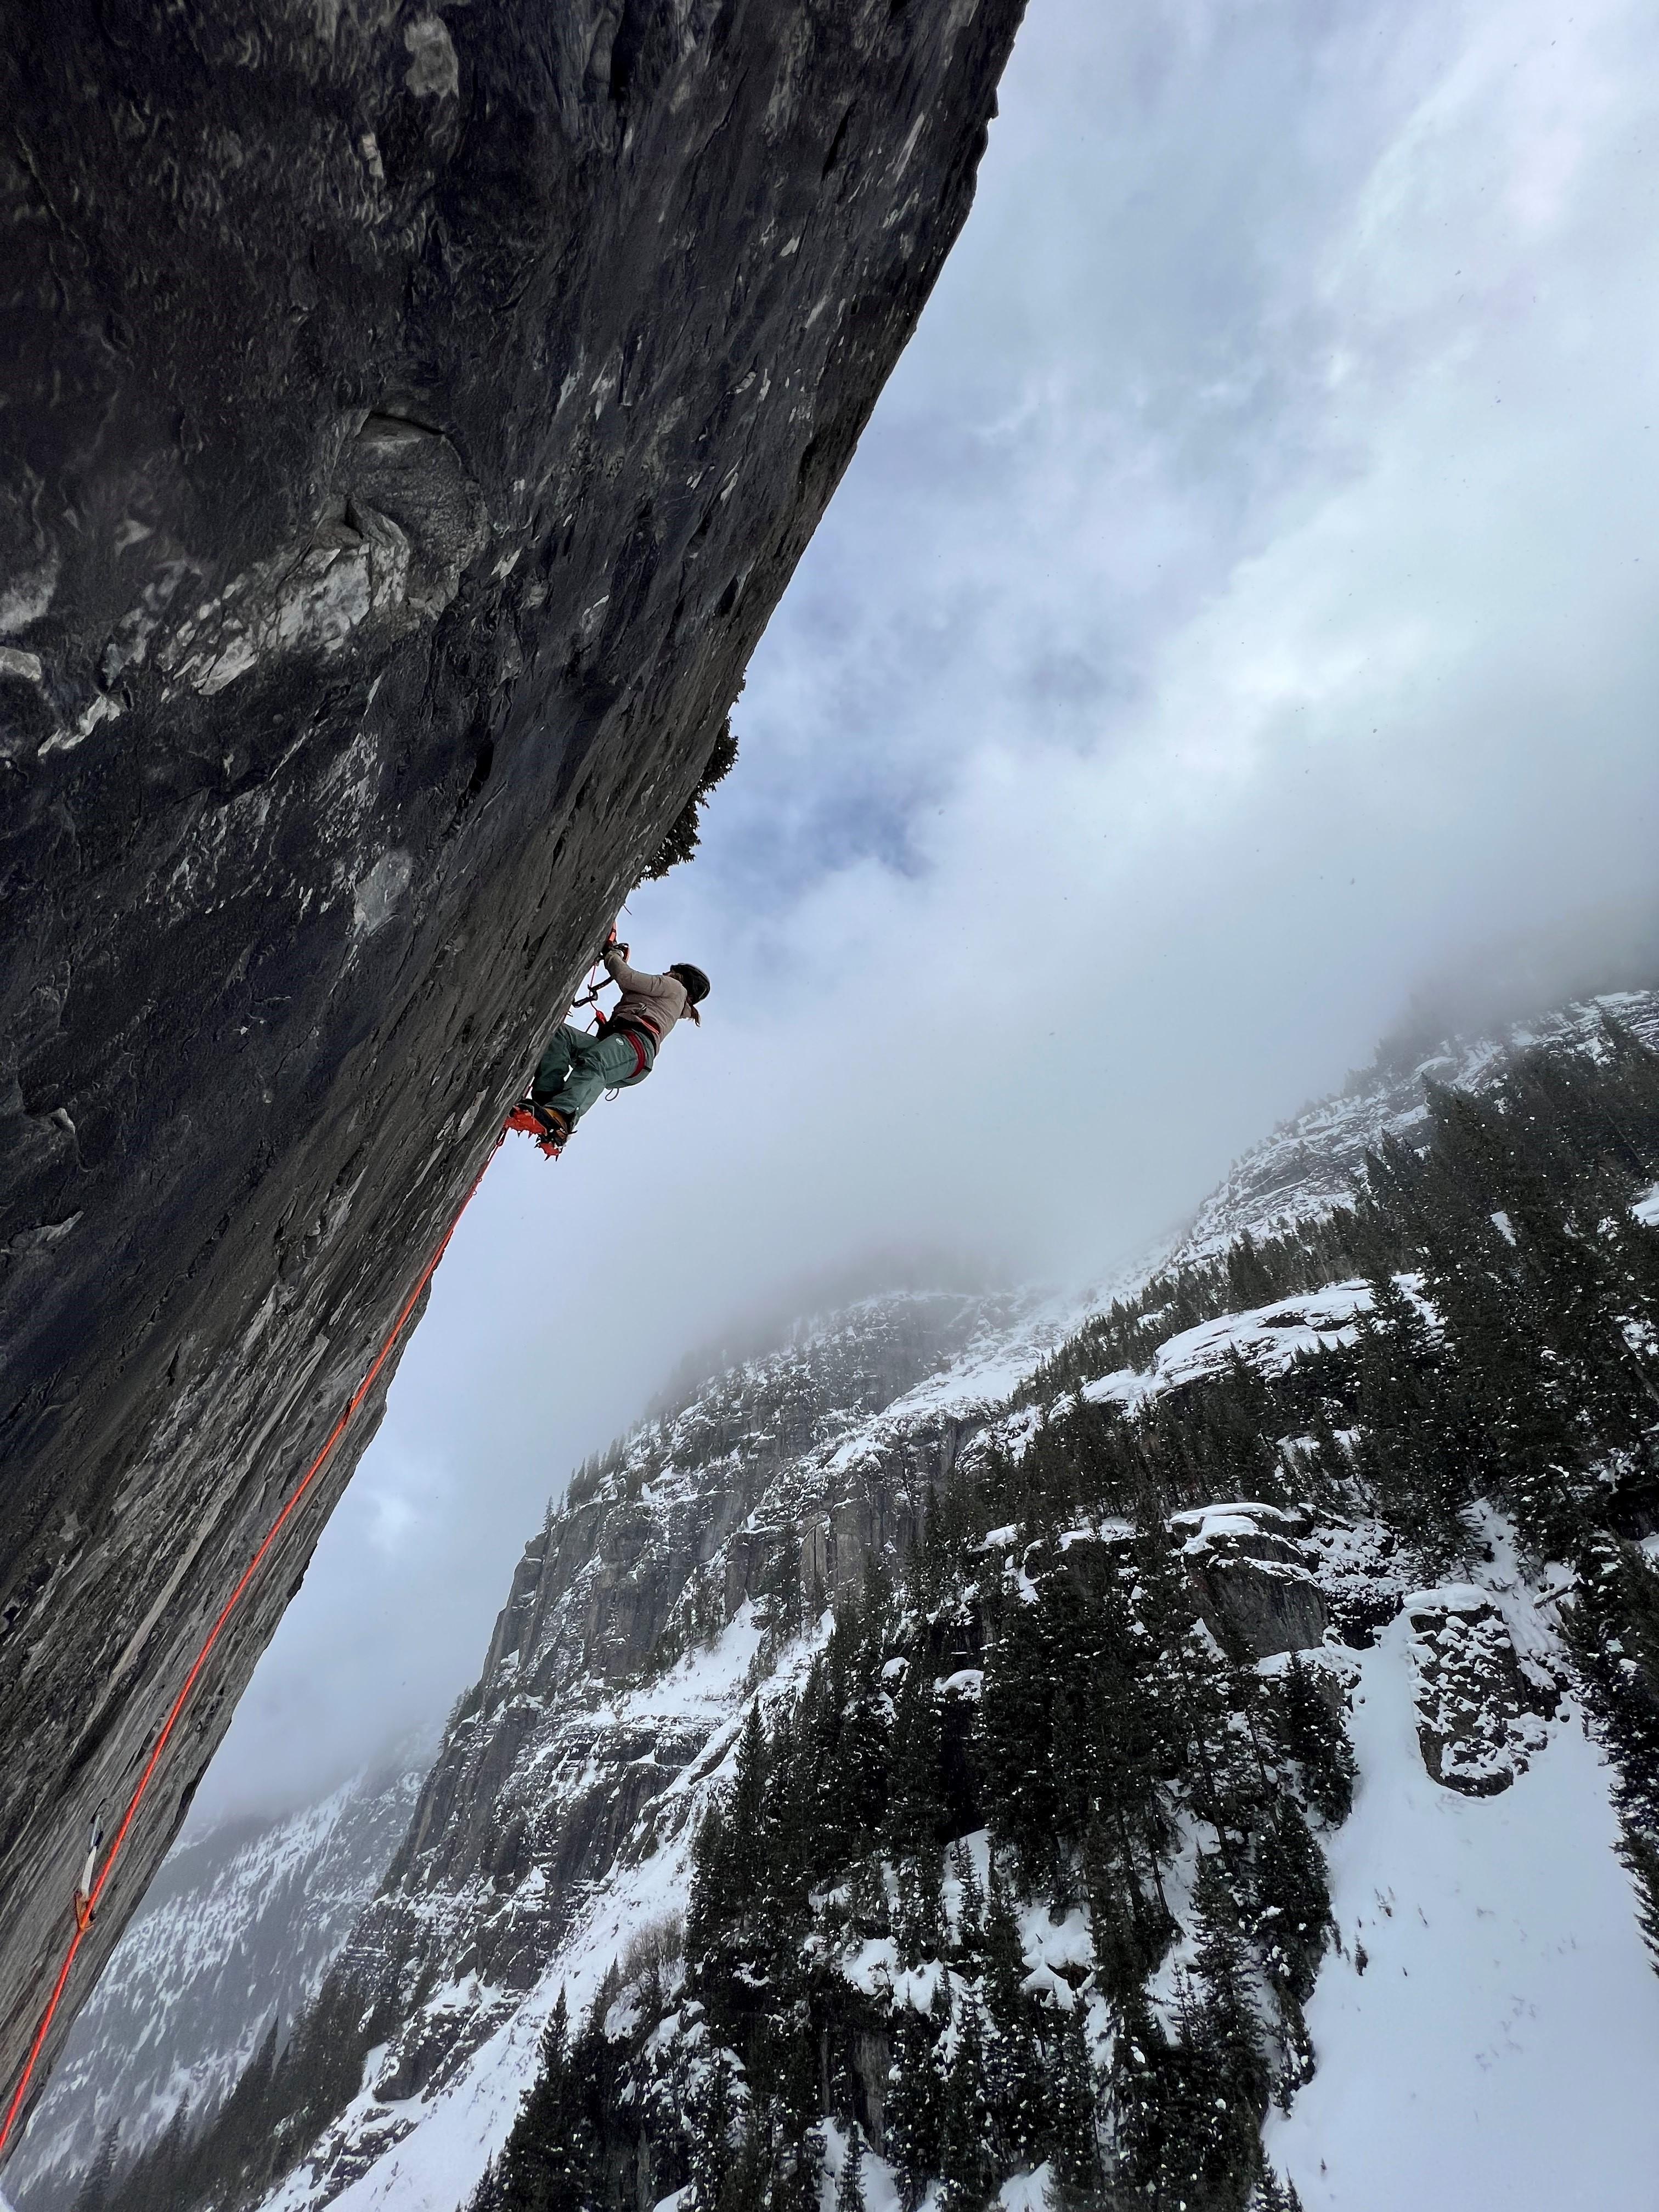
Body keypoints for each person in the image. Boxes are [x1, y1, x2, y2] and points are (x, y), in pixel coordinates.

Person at [512, 937, 709, 1154]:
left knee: (596, 1064)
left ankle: (562, 1118)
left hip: (634, 1046)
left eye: (670, 973)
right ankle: (548, 1104)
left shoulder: (674, 989)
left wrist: (612, 954)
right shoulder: (669, 1001)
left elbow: (627, 977)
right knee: (560, 1036)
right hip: (628, 1049)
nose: (664, 975)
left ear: (680, 978)